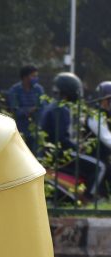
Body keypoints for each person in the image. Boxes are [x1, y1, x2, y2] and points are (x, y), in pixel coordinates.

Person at [41, 72, 106, 203]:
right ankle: (89, 199)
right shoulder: (61, 109)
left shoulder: (55, 106)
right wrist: (77, 148)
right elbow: (61, 139)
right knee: (100, 167)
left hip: (51, 152)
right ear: (70, 90)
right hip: (59, 153)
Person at [6, 65, 44, 156]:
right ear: (25, 77)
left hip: (35, 128)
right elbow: (15, 111)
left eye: (36, 76)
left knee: (37, 155)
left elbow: (42, 107)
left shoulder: (38, 90)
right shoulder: (14, 90)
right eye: (33, 76)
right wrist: (30, 110)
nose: (36, 78)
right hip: (20, 128)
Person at [86, 81, 111, 198]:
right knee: (103, 167)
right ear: (104, 99)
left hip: (104, 154)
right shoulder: (96, 114)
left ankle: (104, 195)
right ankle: (90, 197)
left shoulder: (106, 113)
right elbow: (106, 138)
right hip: (94, 154)